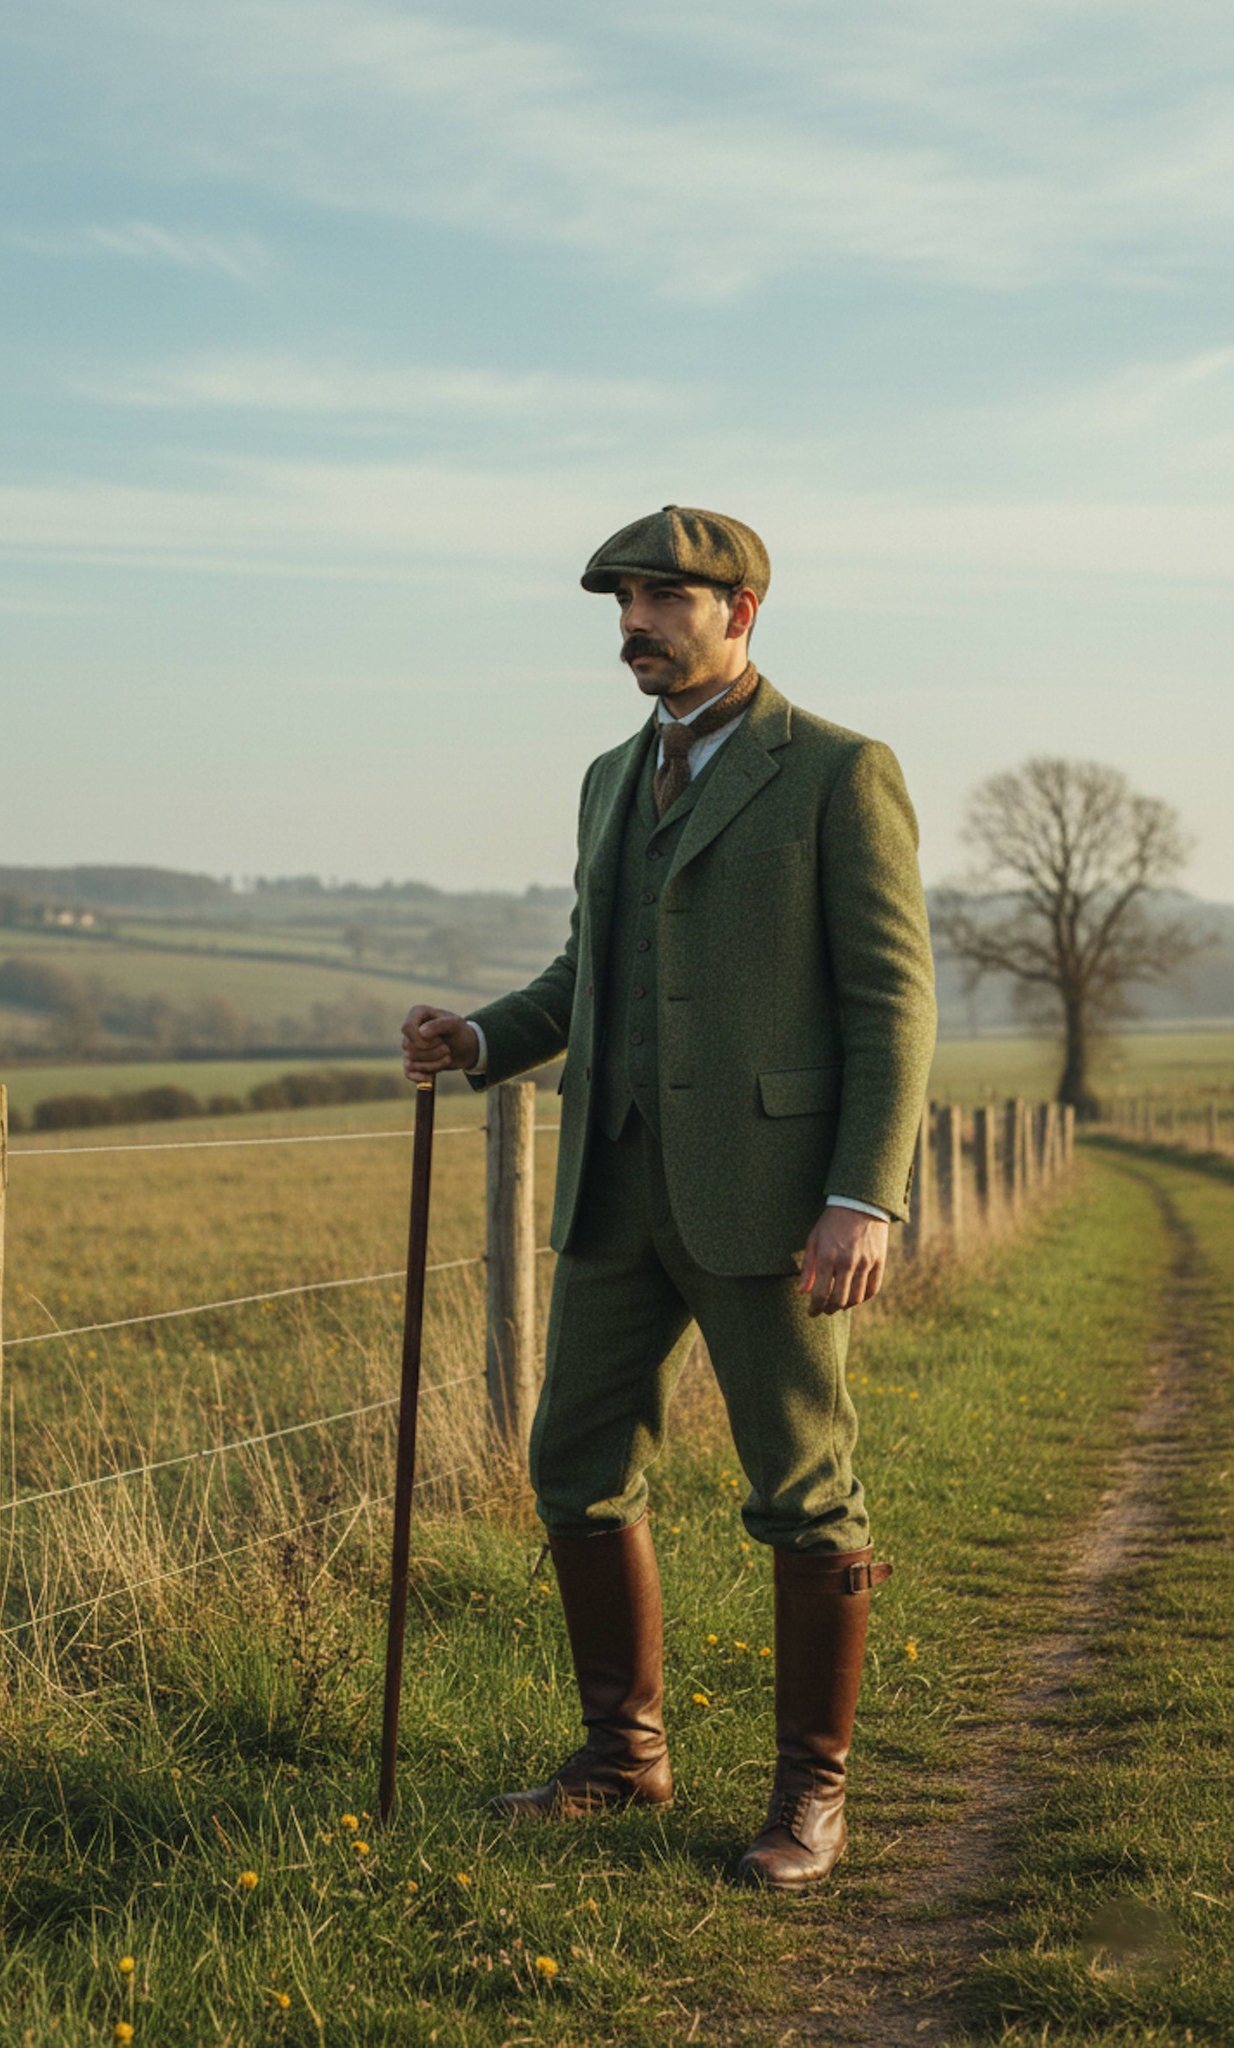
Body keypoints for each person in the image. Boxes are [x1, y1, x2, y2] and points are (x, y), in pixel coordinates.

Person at [400, 504, 936, 1888]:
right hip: (615, 1189)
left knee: (806, 1492)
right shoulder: (603, 779)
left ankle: (811, 1800)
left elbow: (892, 1003)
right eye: (622, 604)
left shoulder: (835, 772)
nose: (633, 626)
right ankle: (621, 1758)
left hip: (773, 1205)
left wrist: (861, 1198)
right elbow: (590, 976)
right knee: (573, 1461)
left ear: (741, 610)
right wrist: (481, 1037)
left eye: (661, 602)